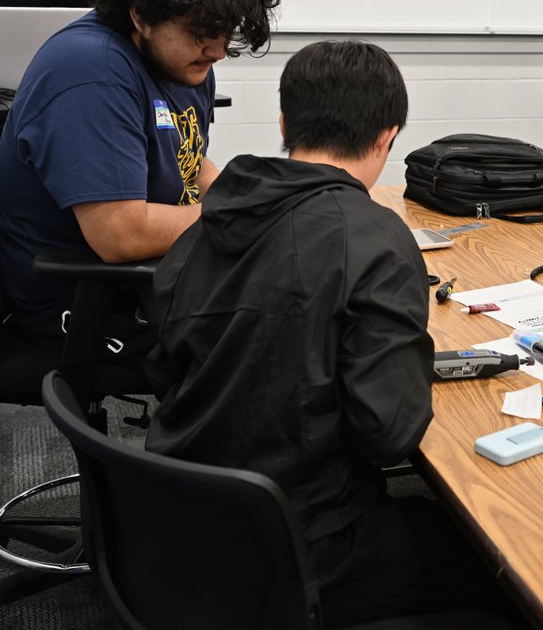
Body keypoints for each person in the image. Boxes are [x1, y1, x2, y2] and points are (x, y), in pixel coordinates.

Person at [145, 41, 514, 627]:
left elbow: (162, 368)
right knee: (509, 564)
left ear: (285, 122)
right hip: (302, 550)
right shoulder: (375, 237)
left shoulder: (205, 224)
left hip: (174, 524)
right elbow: (389, 435)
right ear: (387, 137)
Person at [0, 0, 281, 362]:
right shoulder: (92, 73)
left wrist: (250, 198)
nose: (219, 51)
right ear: (141, 16)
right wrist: (237, 216)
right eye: (201, 33)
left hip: (155, 273)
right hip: (90, 303)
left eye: (224, 33)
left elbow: (190, 157)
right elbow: (121, 237)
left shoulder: (182, 61)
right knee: (287, 335)